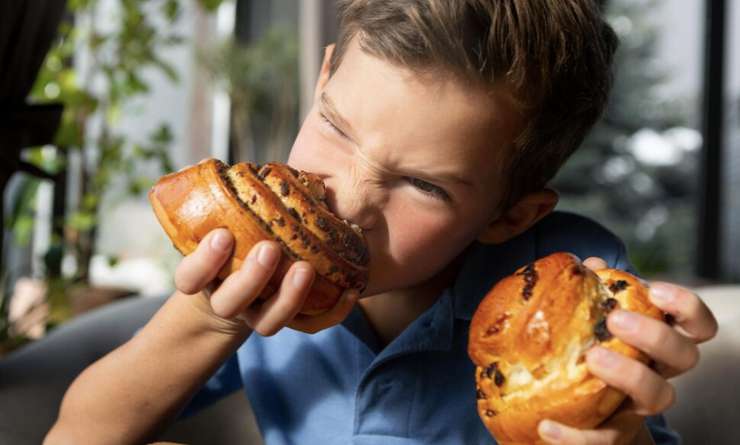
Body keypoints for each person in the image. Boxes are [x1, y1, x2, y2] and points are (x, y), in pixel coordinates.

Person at [45, 1, 718, 444]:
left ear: (511, 214)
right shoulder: (253, 280)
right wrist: (209, 318)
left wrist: (614, 432)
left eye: (423, 185)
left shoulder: (575, 277)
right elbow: (77, 435)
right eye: (335, 128)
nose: (350, 199)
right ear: (323, 80)